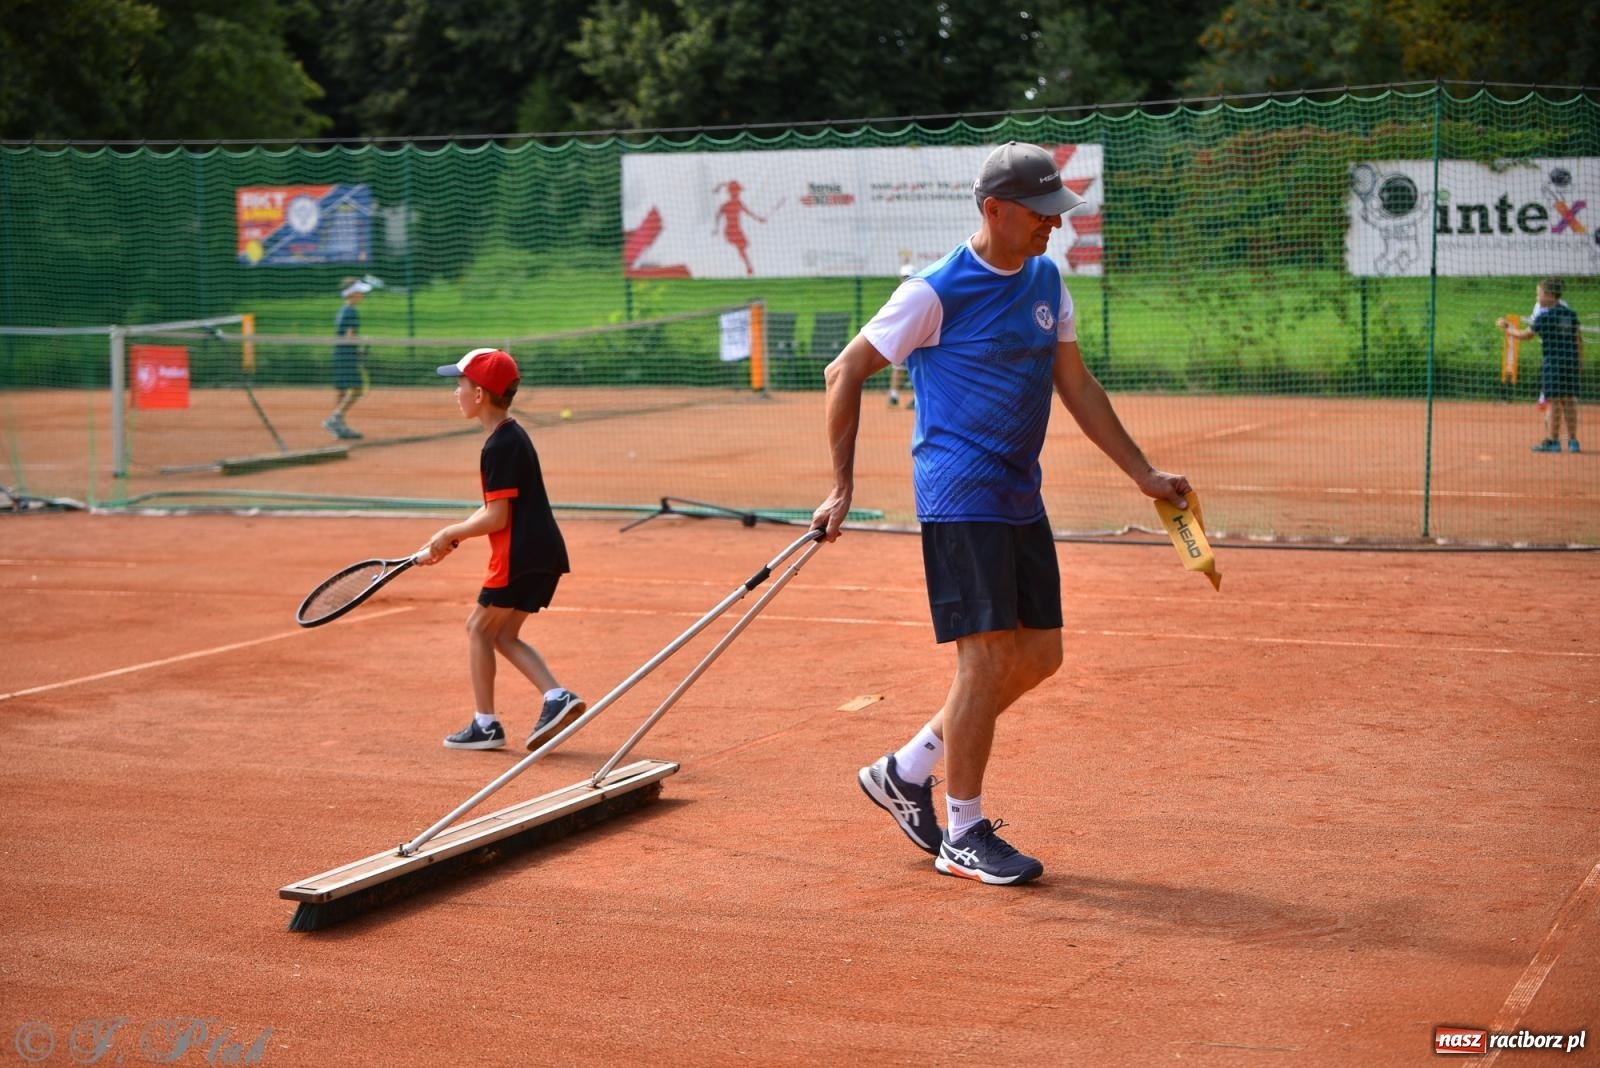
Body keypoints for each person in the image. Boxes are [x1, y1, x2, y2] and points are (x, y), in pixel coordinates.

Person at [811, 141, 1192, 886]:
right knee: (982, 660)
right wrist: (842, 487)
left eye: (1059, 212)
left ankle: (906, 767)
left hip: (1021, 494)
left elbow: (1077, 387)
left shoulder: (1048, 279)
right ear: (995, 211)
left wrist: (1142, 473)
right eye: (1042, 214)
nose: (1055, 226)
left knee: (1039, 655)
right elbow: (843, 370)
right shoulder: (934, 290)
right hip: (959, 495)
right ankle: (963, 831)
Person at [418, 347, 587, 752]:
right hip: (542, 551)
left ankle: (487, 725)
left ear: (479, 395)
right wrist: (451, 536)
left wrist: (450, 531)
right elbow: (497, 506)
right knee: (503, 635)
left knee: (479, 628)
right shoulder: (511, 435)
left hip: (519, 554)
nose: (454, 392)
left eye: (459, 384)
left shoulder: (498, 446)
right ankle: (554, 697)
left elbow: (497, 518)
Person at [1499, 278, 1582, 453]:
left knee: (1553, 402)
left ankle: (1553, 441)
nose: (1537, 297)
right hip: (1570, 362)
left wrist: (1507, 328)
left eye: (1539, 293)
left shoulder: (1544, 317)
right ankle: (1573, 441)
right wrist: (1579, 362)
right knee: (1569, 401)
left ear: (1550, 295)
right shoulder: (1570, 314)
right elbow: (1578, 339)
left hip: (1553, 363)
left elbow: (1525, 335)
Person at [324, 278, 371, 440]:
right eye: (359, 292)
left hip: (339, 355)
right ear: (352, 294)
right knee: (357, 390)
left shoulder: (343, 311)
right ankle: (335, 418)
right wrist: (362, 345)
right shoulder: (352, 312)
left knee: (342, 390)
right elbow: (350, 337)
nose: (362, 295)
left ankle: (339, 425)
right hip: (347, 357)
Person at [887, 258, 916, 409]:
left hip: (918, 339)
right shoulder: (896, 296)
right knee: (898, 367)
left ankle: (916, 398)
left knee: (919, 368)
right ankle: (893, 395)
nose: (906, 280)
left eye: (909, 277)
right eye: (904, 277)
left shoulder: (920, 293)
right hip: (902, 338)